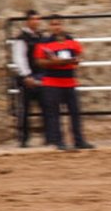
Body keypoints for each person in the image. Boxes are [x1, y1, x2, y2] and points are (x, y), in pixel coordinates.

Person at [34, 15, 94, 150]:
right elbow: (39, 61)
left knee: (75, 113)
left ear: (62, 25)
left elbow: (79, 56)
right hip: (52, 83)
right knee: (54, 114)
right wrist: (58, 62)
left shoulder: (71, 41)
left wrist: (60, 62)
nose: (56, 27)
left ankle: (79, 140)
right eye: (53, 24)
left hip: (70, 82)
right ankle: (58, 141)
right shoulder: (44, 43)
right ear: (50, 26)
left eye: (58, 24)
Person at [12, 10, 47, 147]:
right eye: (34, 19)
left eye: (38, 19)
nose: (36, 22)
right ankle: (23, 139)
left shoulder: (40, 37)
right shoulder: (22, 38)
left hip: (40, 77)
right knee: (25, 110)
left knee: (45, 107)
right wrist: (26, 75)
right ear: (28, 21)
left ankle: (48, 137)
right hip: (27, 78)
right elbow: (19, 58)